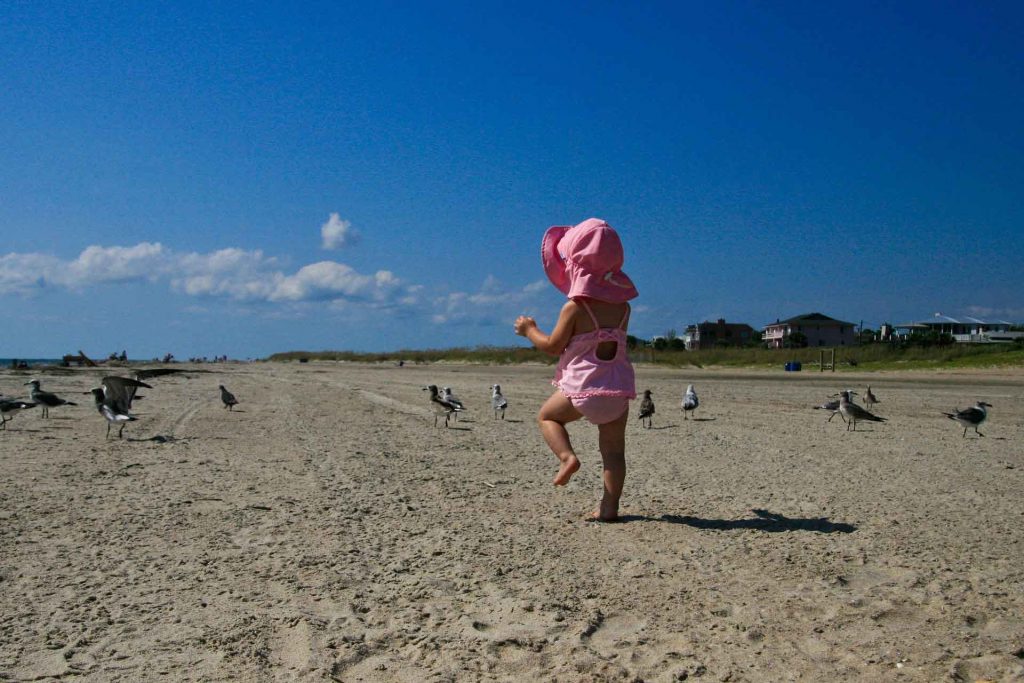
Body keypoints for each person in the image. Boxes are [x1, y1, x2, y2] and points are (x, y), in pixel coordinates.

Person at [514, 218, 638, 521]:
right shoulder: (624, 308)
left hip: (583, 388)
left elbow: (554, 346)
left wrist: (530, 330)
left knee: (547, 417)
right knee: (613, 453)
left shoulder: (576, 307)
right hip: (617, 390)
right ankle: (610, 507)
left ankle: (567, 457)